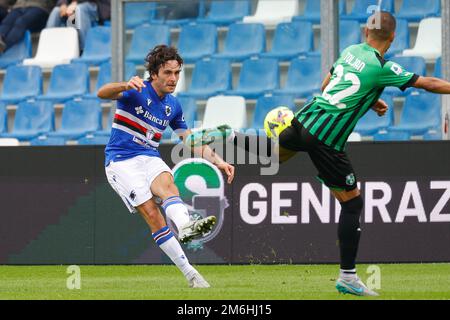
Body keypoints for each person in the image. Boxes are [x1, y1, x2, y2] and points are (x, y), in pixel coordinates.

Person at [186, 11, 450, 296]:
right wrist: (371, 95)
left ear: (365, 33)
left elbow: (327, 86)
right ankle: (348, 277)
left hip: (304, 119)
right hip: (326, 138)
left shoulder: (351, 52)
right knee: (352, 205)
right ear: (393, 37)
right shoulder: (382, 67)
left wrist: (370, 98)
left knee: (274, 154)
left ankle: (229, 136)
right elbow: (427, 83)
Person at [97, 45, 235, 288]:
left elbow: (191, 140)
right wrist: (124, 85)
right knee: (152, 213)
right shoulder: (136, 91)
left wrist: (220, 161)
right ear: (155, 74)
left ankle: (185, 227)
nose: (173, 79)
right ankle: (190, 273)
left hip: (149, 156)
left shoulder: (173, 105)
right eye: (168, 73)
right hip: (121, 160)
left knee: (168, 184)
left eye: (177, 73)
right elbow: (101, 93)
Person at [46, 0, 110, 50]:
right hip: (72, 6)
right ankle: (47, 49)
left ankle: (84, 49)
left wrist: (76, 2)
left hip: (98, 5)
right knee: (56, 11)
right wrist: (63, 4)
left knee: (80, 9)